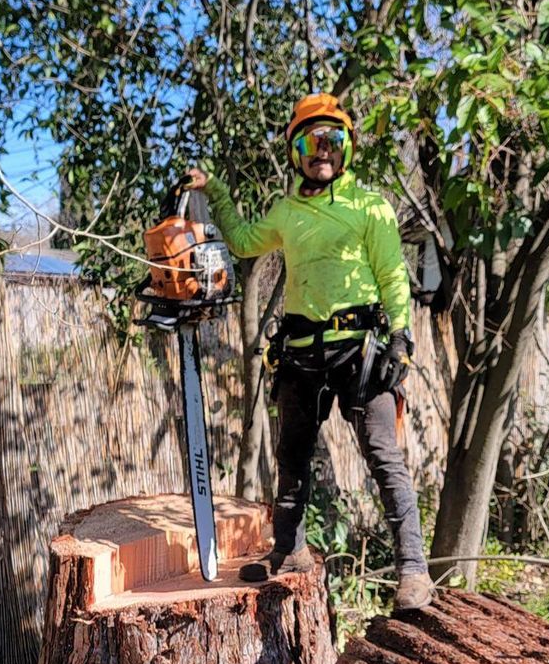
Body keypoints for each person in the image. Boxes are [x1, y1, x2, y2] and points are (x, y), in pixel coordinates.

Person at [185, 92, 436, 612]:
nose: (322, 149)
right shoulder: (287, 211)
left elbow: (392, 274)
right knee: (292, 458)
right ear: (296, 151)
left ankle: (413, 570)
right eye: (311, 141)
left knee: (384, 457)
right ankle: (289, 550)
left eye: (332, 139)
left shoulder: (370, 207)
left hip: (361, 350)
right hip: (301, 350)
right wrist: (219, 191)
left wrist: (401, 336)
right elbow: (245, 241)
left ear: (346, 148)